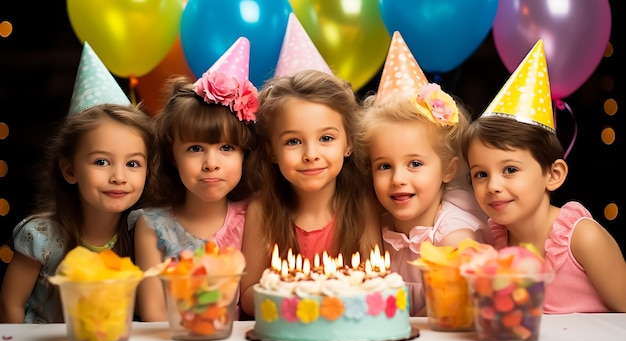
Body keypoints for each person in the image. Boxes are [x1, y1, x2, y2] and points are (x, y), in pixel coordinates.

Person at [461, 39, 626, 313]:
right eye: (480, 174)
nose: (493, 186)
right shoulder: (491, 244)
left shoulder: (582, 239)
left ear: (554, 174)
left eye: (510, 169)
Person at [0, 42, 156, 324]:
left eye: (132, 163)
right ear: (69, 170)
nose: (118, 176)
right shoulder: (42, 238)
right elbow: (10, 304)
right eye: (101, 161)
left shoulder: (141, 237)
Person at [355, 31, 490, 316]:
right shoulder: (378, 227)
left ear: (448, 169)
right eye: (384, 165)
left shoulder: (454, 238)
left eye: (414, 164)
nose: (398, 179)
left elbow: (463, 317)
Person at [238, 69, 383, 317]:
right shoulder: (262, 210)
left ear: (348, 143)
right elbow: (249, 296)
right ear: (271, 151)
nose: (311, 154)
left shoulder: (362, 204)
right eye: (293, 141)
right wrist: (298, 296)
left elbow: (377, 283)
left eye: (326, 138)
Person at [133, 37, 258, 322]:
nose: (211, 164)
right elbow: (154, 316)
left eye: (226, 148)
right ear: (172, 156)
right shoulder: (151, 227)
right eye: (195, 149)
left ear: (244, 155)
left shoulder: (254, 215)